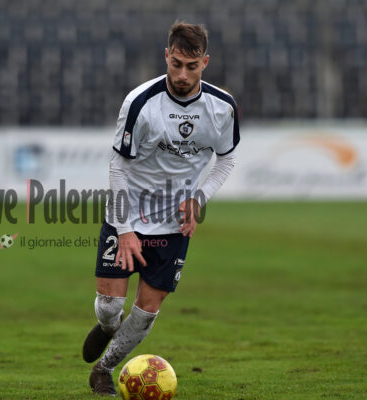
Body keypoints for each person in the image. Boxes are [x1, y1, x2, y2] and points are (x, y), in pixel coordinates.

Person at [82, 21, 240, 395]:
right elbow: (118, 165)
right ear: (166, 56)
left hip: (173, 224)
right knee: (110, 306)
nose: (182, 75)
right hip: (127, 214)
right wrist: (125, 230)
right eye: (176, 64)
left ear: (205, 63)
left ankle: (104, 369)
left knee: (147, 309)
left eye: (191, 66)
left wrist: (198, 199)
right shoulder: (140, 102)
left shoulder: (222, 107)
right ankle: (106, 327)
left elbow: (227, 159)